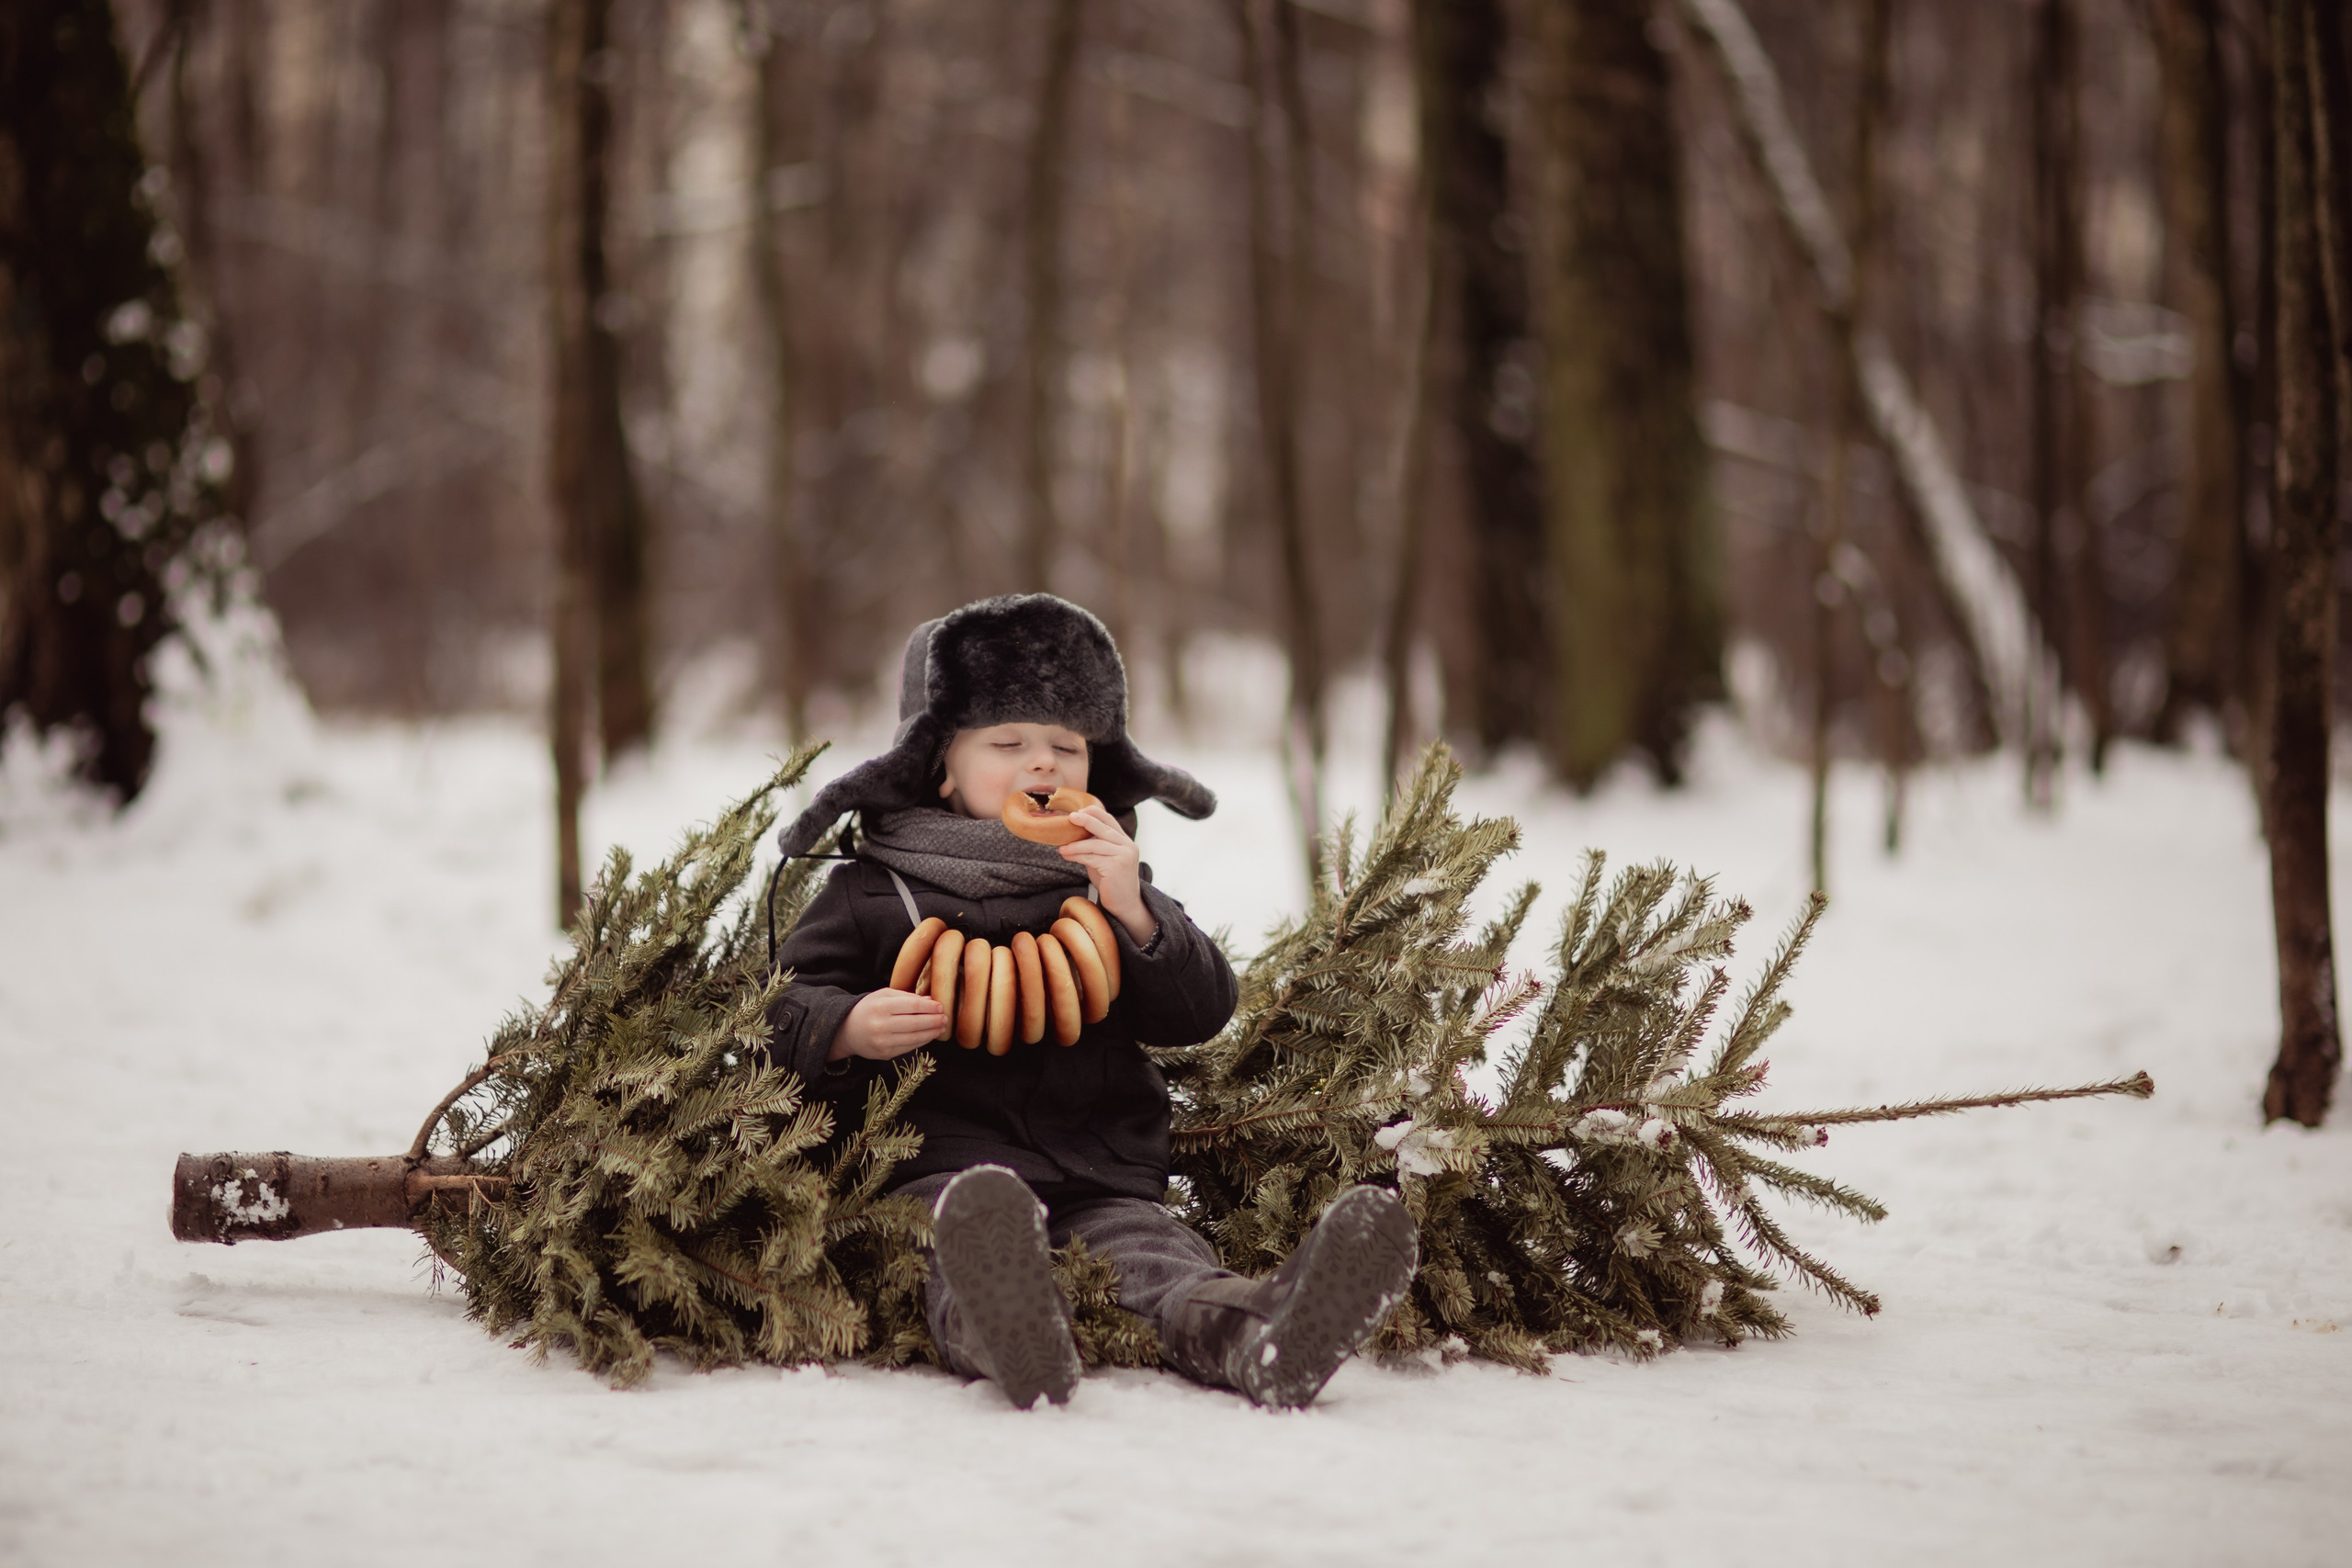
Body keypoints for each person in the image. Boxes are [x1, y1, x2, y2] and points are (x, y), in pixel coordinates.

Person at [763, 593, 1418, 1408]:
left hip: (1100, 1169)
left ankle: (1263, 1329)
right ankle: (1013, 1332)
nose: (1043, 764)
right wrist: (845, 1027)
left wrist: (1134, 908)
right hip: (939, 1170)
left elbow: (1200, 1010)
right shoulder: (870, 891)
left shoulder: (1108, 881)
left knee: (1159, 1262)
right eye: (1008, 742)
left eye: (1065, 747)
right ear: (940, 765)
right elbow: (778, 1013)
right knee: (953, 1248)